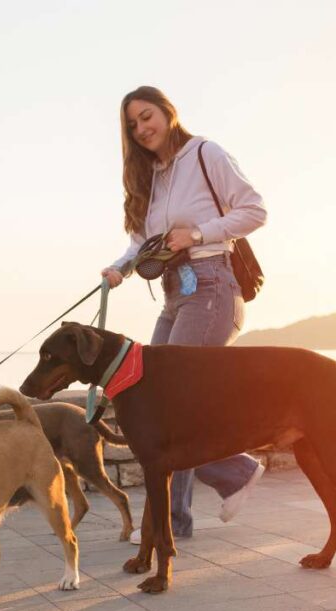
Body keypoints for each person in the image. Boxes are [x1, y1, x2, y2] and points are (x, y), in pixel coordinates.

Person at [101, 85, 267, 543]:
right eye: (132, 124)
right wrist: (118, 270)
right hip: (175, 291)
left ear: (168, 112)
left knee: (169, 403)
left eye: (147, 116)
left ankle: (227, 478)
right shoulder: (149, 177)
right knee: (156, 399)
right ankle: (179, 517)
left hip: (212, 286)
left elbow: (255, 210)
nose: (142, 128)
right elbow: (141, 243)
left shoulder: (205, 153)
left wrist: (197, 233)